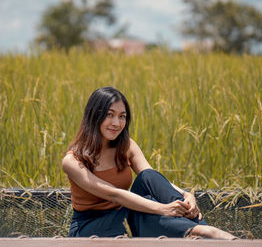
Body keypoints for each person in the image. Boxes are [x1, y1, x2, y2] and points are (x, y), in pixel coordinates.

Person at [62, 86, 236, 239]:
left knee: (147, 176)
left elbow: (153, 178)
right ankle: (201, 232)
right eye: (109, 115)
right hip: (91, 226)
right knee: (151, 211)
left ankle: (203, 230)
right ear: (94, 115)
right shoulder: (73, 161)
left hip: (125, 212)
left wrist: (185, 195)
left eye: (122, 116)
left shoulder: (126, 145)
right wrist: (163, 209)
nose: (117, 123)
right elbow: (114, 194)